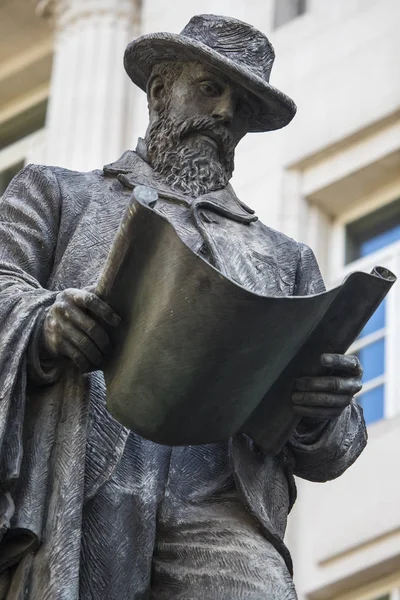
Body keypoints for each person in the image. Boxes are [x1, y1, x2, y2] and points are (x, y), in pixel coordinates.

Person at [0, 14, 366, 600]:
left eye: (241, 106)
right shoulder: (59, 193)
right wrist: (47, 321)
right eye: (210, 88)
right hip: (87, 480)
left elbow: (335, 448)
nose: (225, 114)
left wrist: (321, 411)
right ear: (160, 89)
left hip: (221, 507)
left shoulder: (284, 258)